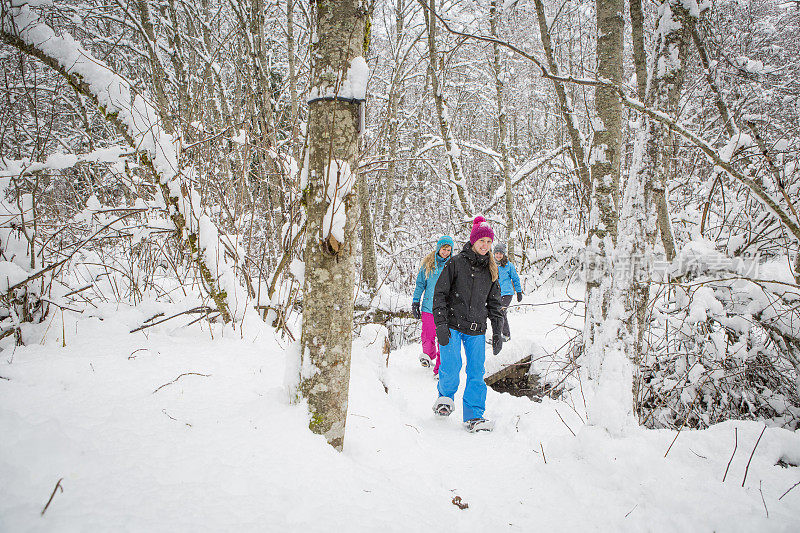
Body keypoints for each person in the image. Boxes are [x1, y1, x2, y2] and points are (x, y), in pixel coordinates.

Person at [431, 216, 503, 432]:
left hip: (476, 330)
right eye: (482, 241)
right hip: (452, 326)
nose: (485, 245)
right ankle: (445, 398)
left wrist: (498, 332)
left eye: (489, 242)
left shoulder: (491, 270)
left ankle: (474, 415)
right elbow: (440, 294)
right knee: (451, 367)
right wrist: (441, 324)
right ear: (473, 241)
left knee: (475, 373)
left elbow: (495, 304)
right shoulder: (456, 263)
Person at [411, 235, 454, 377]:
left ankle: (440, 370)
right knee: (428, 335)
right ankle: (428, 356)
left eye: (449, 250)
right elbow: (420, 284)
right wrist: (416, 301)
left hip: (445, 309)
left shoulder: (453, 265)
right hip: (428, 307)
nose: (446, 252)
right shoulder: (428, 264)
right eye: (444, 249)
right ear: (438, 248)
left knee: (443, 338)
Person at [493, 242, 522, 342]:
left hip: (507, 293)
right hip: (496, 294)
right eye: (497, 253)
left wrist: (519, 292)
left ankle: (506, 335)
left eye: (500, 253)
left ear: (503, 254)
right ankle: (497, 336)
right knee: (496, 313)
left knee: (501, 312)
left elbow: (515, 279)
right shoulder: (492, 265)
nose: (498, 255)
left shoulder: (509, 266)